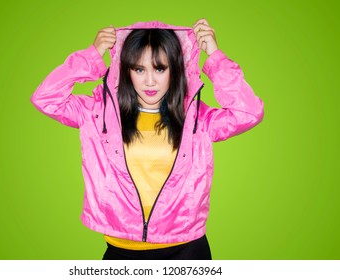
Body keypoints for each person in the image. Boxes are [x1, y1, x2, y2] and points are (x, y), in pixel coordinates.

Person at [30, 19, 264, 260]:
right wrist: (91, 56)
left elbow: (248, 112)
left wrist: (214, 57)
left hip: (187, 249)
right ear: (126, 70)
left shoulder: (198, 119)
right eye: (139, 69)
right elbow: (46, 98)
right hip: (121, 248)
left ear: (175, 68)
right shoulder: (96, 113)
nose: (150, 81)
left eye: (160, 68)